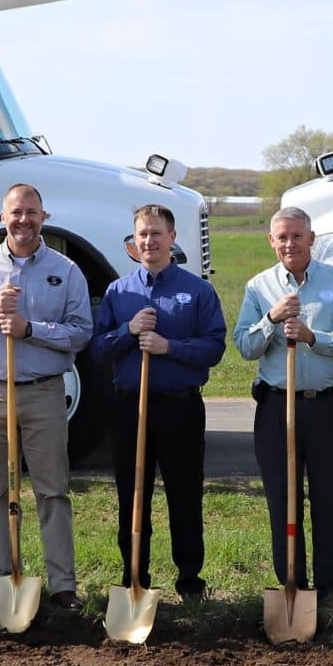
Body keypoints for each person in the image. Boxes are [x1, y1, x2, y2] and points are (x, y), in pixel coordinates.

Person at [0, 184, 94, 607]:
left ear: (43, 216)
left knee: (52, 490)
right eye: (16, 212)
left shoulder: (65, 271)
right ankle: (4, 575)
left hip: (43, 393)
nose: (23, 219)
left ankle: (63, 585)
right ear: (2, 217)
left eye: (31, 212)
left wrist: (31, 329)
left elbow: (81, 334)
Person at [235, 206, 333, 605]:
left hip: (324, 407)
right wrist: (271, 319)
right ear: (271, 242)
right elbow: (244, 345)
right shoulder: (258, 288)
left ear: (311, 238)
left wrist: (313, 337)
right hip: (277, 407)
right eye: (282, 237)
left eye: (297, 236)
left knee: (329, 498)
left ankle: (330, 590)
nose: (290, 244)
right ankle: (293, 584)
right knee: (282, 497)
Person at [94, 203, 227, 600]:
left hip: (180, 407)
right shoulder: (119, 293)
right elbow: (98, 349)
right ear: (133, 241)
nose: (149, 240)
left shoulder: (197, 291)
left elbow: (214, 347)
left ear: (171, 238)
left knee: (184, 495)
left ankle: (190, 582)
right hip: (129, 407)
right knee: (133, 494)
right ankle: (135, 578)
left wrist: (169, 347)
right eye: (142, 234)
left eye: (156, 233)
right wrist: (127, 331)